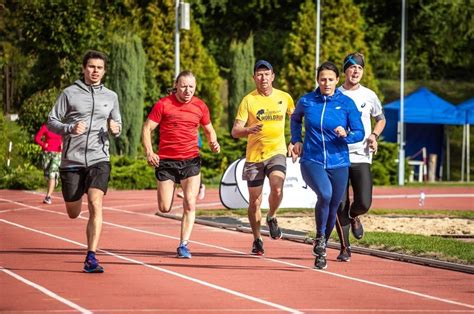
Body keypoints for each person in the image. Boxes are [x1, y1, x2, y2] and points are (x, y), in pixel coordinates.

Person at [47, 50, 122, 273]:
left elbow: (117, 123)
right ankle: (73, 198)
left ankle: (91, 256)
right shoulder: (69, 93)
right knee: (73, 211)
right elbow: (52, 121)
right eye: (91, 67)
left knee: (95, 202)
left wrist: (115, 129)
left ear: (104, 71)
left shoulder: (111, 96)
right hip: (72, 159)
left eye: (99, 68)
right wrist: (70, 128)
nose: (95, 71)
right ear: (83, 68)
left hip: (100, 158)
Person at [290, 61, 364, 270]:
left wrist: (346, 135)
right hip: (312, 160)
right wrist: (296, 139)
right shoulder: (307, 101)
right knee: (325, 194)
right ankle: (321, 240)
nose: (327, 83)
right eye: (323, 79)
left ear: (337, 80)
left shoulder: (346, 103)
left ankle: (321, 239)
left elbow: (360, 132)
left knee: (335, 205)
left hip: (339, 161)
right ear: (318, 80)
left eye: (331, 79)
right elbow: (295, 119)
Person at [142, 70, 220, 259]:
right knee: (164, 207)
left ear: (195, 87)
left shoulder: (200, 106)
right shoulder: (164, 104)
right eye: (183, 86)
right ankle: (170, 190)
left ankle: (183, 244)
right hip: (167, 162)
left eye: (191, 87)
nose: (187, 90)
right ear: (176, 85)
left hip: (190, 161)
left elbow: (209, 130)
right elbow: (147, 128)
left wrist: (213, 142)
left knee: (190, 203)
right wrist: (150, 152)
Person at [231, 60, 295, 255]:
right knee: (255, 201)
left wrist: (294, 141)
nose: (263, 78)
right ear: (254, 78)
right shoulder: (248, 100)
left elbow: (296, 120)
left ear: (273, 76)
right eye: (259, 74)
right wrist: (248, 130)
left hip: (277, 152)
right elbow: (235, 131)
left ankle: (272, 216)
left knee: (277, 186)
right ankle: (257, 239)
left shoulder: (285, 98)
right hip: (254, 157)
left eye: (266, 74)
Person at [335, 52, 386, 262]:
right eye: (352, 67)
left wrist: (374, 136)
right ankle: (344, 248)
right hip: (337, 155)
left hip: (361, 156)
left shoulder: (369, 95)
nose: (356, 71)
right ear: (345, 70)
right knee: (340, 204)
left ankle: (355, 216)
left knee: (364, 202)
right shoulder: (334, 94)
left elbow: (381, 119)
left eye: (360, 68)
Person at [35, 123, 63, 204]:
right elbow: (37, 138)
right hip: (47, 153)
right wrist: (43, 144)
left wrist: (62, 144)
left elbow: (65, 137)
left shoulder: (61, 127)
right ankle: (53, 180)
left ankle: (48, 197)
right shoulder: (45, 127)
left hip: (57, 153)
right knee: (47, 174)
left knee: (52, 173)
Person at [177, 132, 206, 200]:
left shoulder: (194, 131)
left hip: (192, 155)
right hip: (182, 154)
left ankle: (201, 186)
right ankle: (184, 190)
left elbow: (199, 145)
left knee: (193, 171)